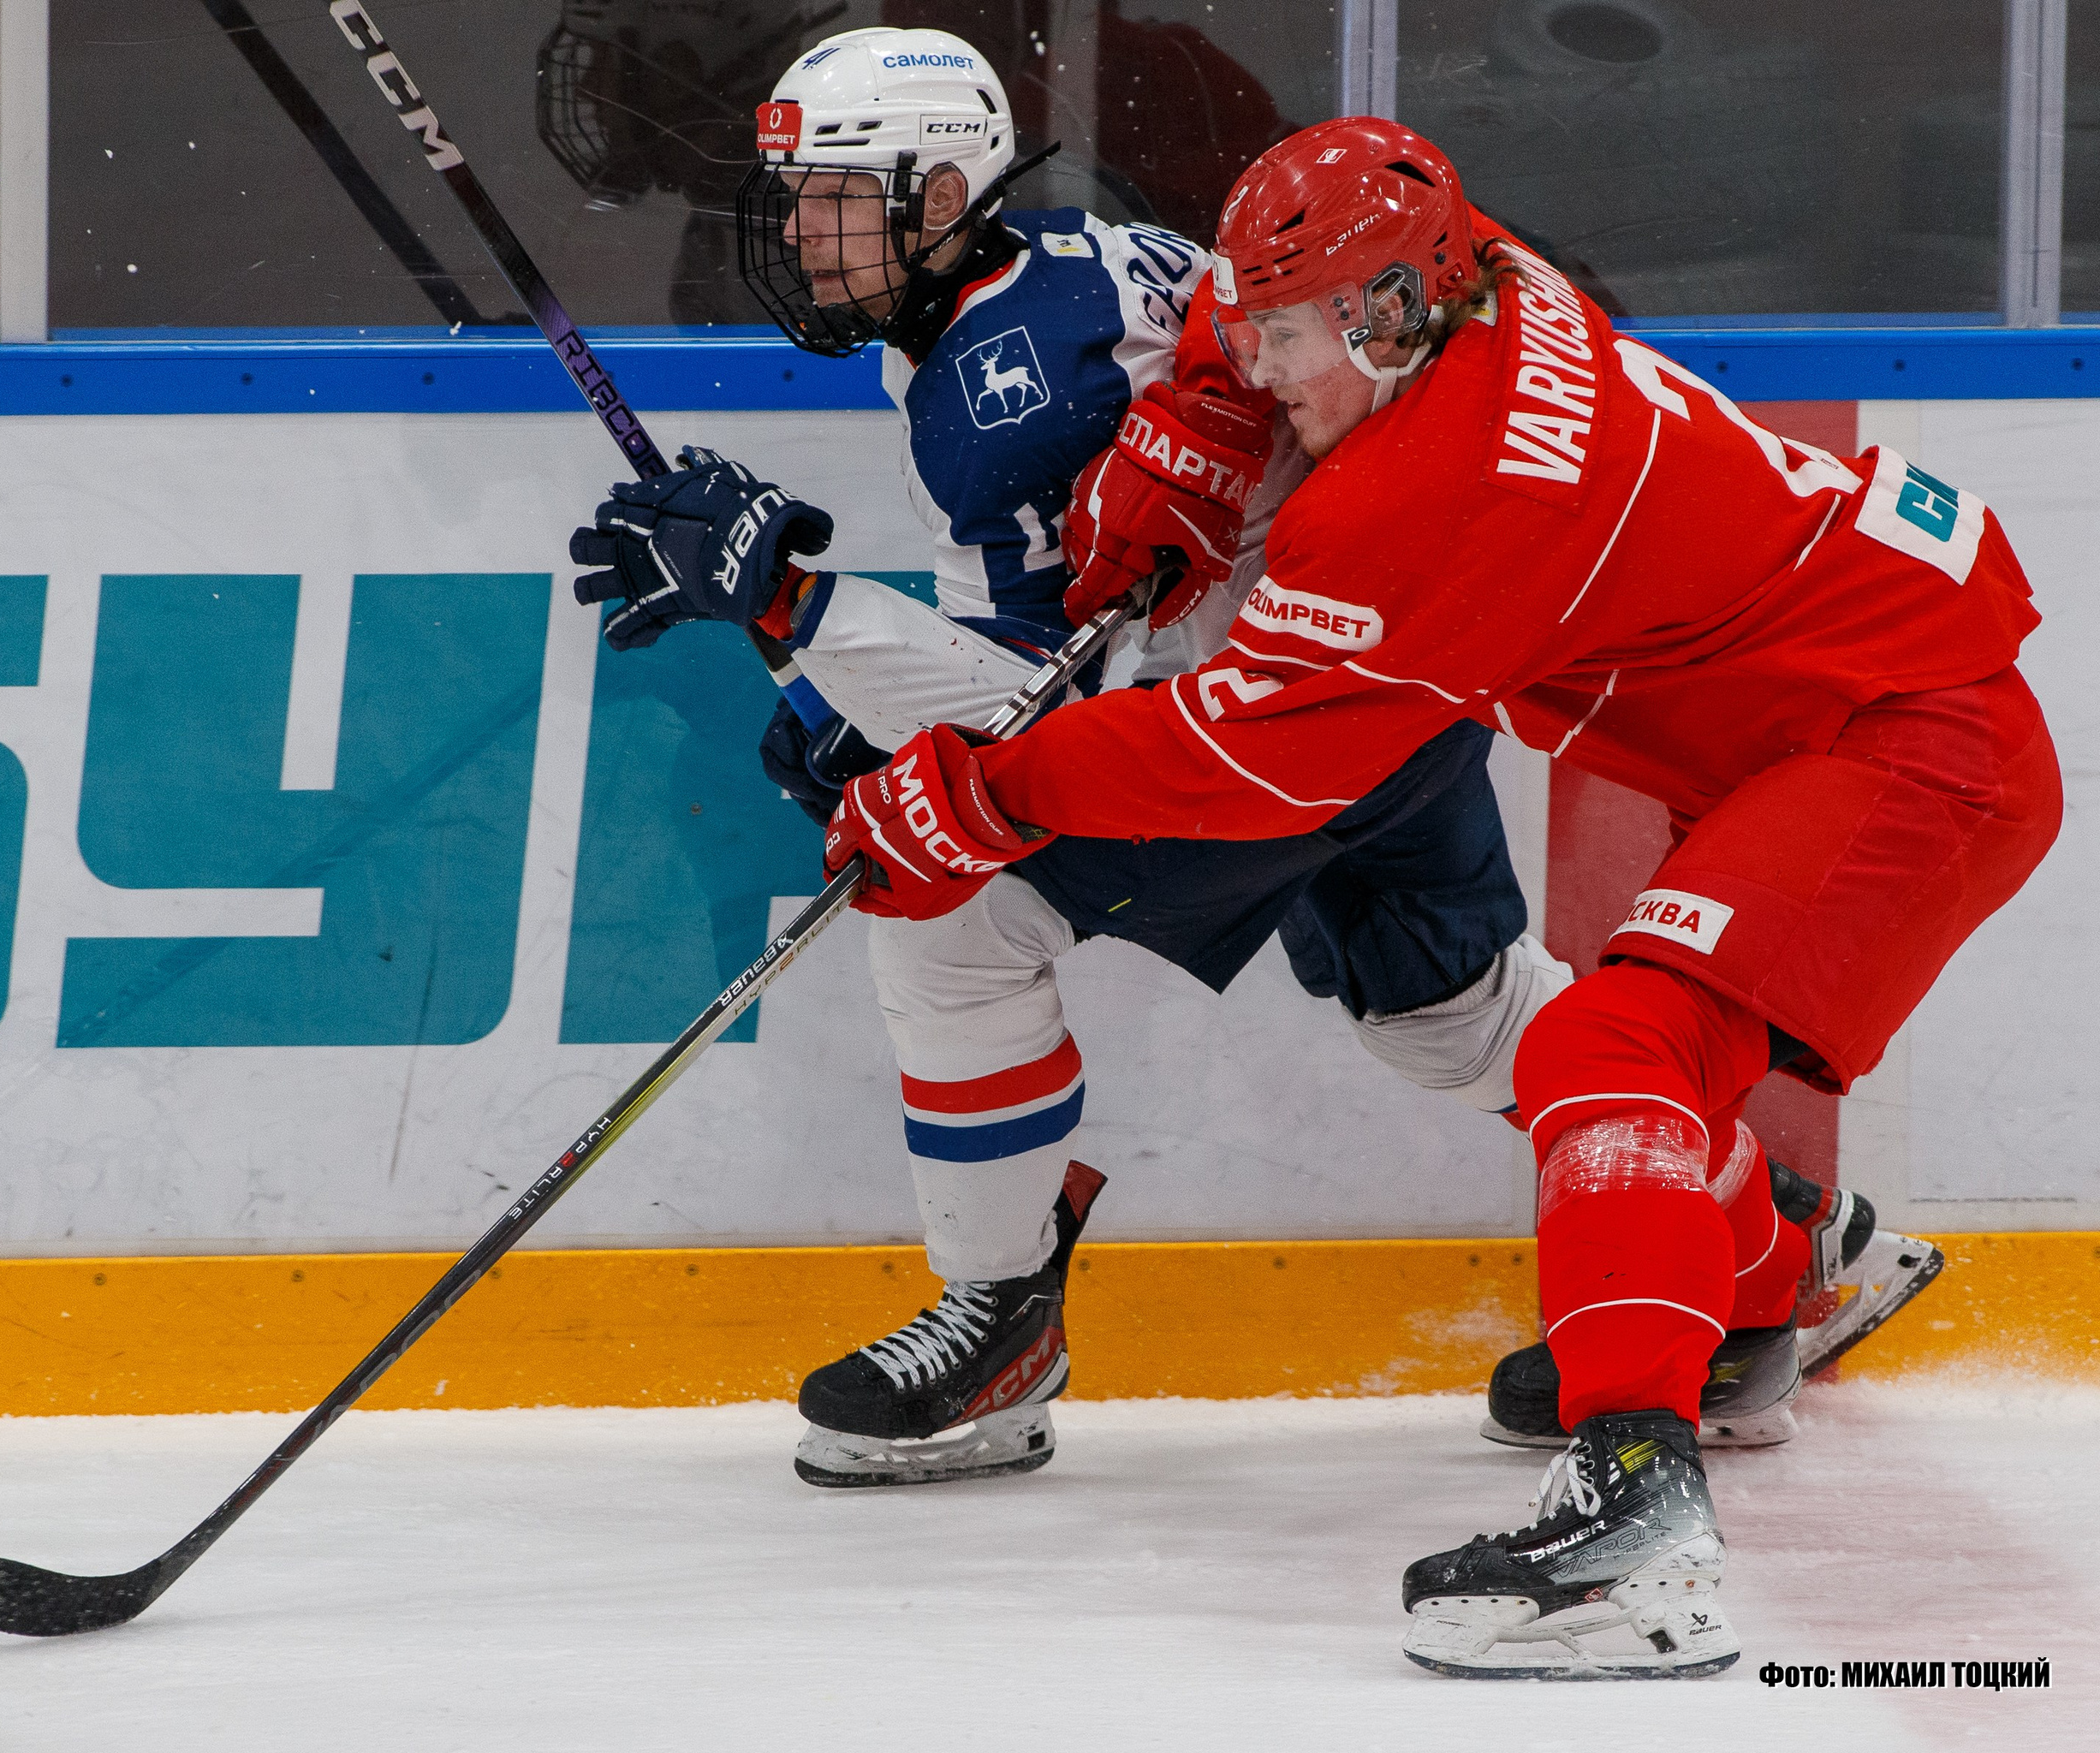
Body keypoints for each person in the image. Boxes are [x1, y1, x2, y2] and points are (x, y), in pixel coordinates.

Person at [822, 116, 2057, 1673]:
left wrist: (985, 792)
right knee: (1604, 1058)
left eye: (1286, 344)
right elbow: (1224, 303)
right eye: (1261, 336)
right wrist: (1199, 427)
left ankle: (1634, 1532)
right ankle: (1755, 1308)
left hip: (1904, 738)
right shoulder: (1469, 269)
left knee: (1604, 1053)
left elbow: (1244, 761)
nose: (1266, 370)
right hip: (1813, 697)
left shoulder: (1443, 495)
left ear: (1391, 318)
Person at [567, 29, 1567, 1489]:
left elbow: (1033, 719)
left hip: (1252, 730)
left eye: (840, 199)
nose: (800, 236)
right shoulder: (1080, 262)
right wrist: (835, 689)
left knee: (939, 901)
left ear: (946, 188)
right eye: (793, 198)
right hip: (1376, 687)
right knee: (1453, 1018)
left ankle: (999, 1321)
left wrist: (786, 605)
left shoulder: (997, 395)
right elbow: (1040, 659)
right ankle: (1782, 1242)